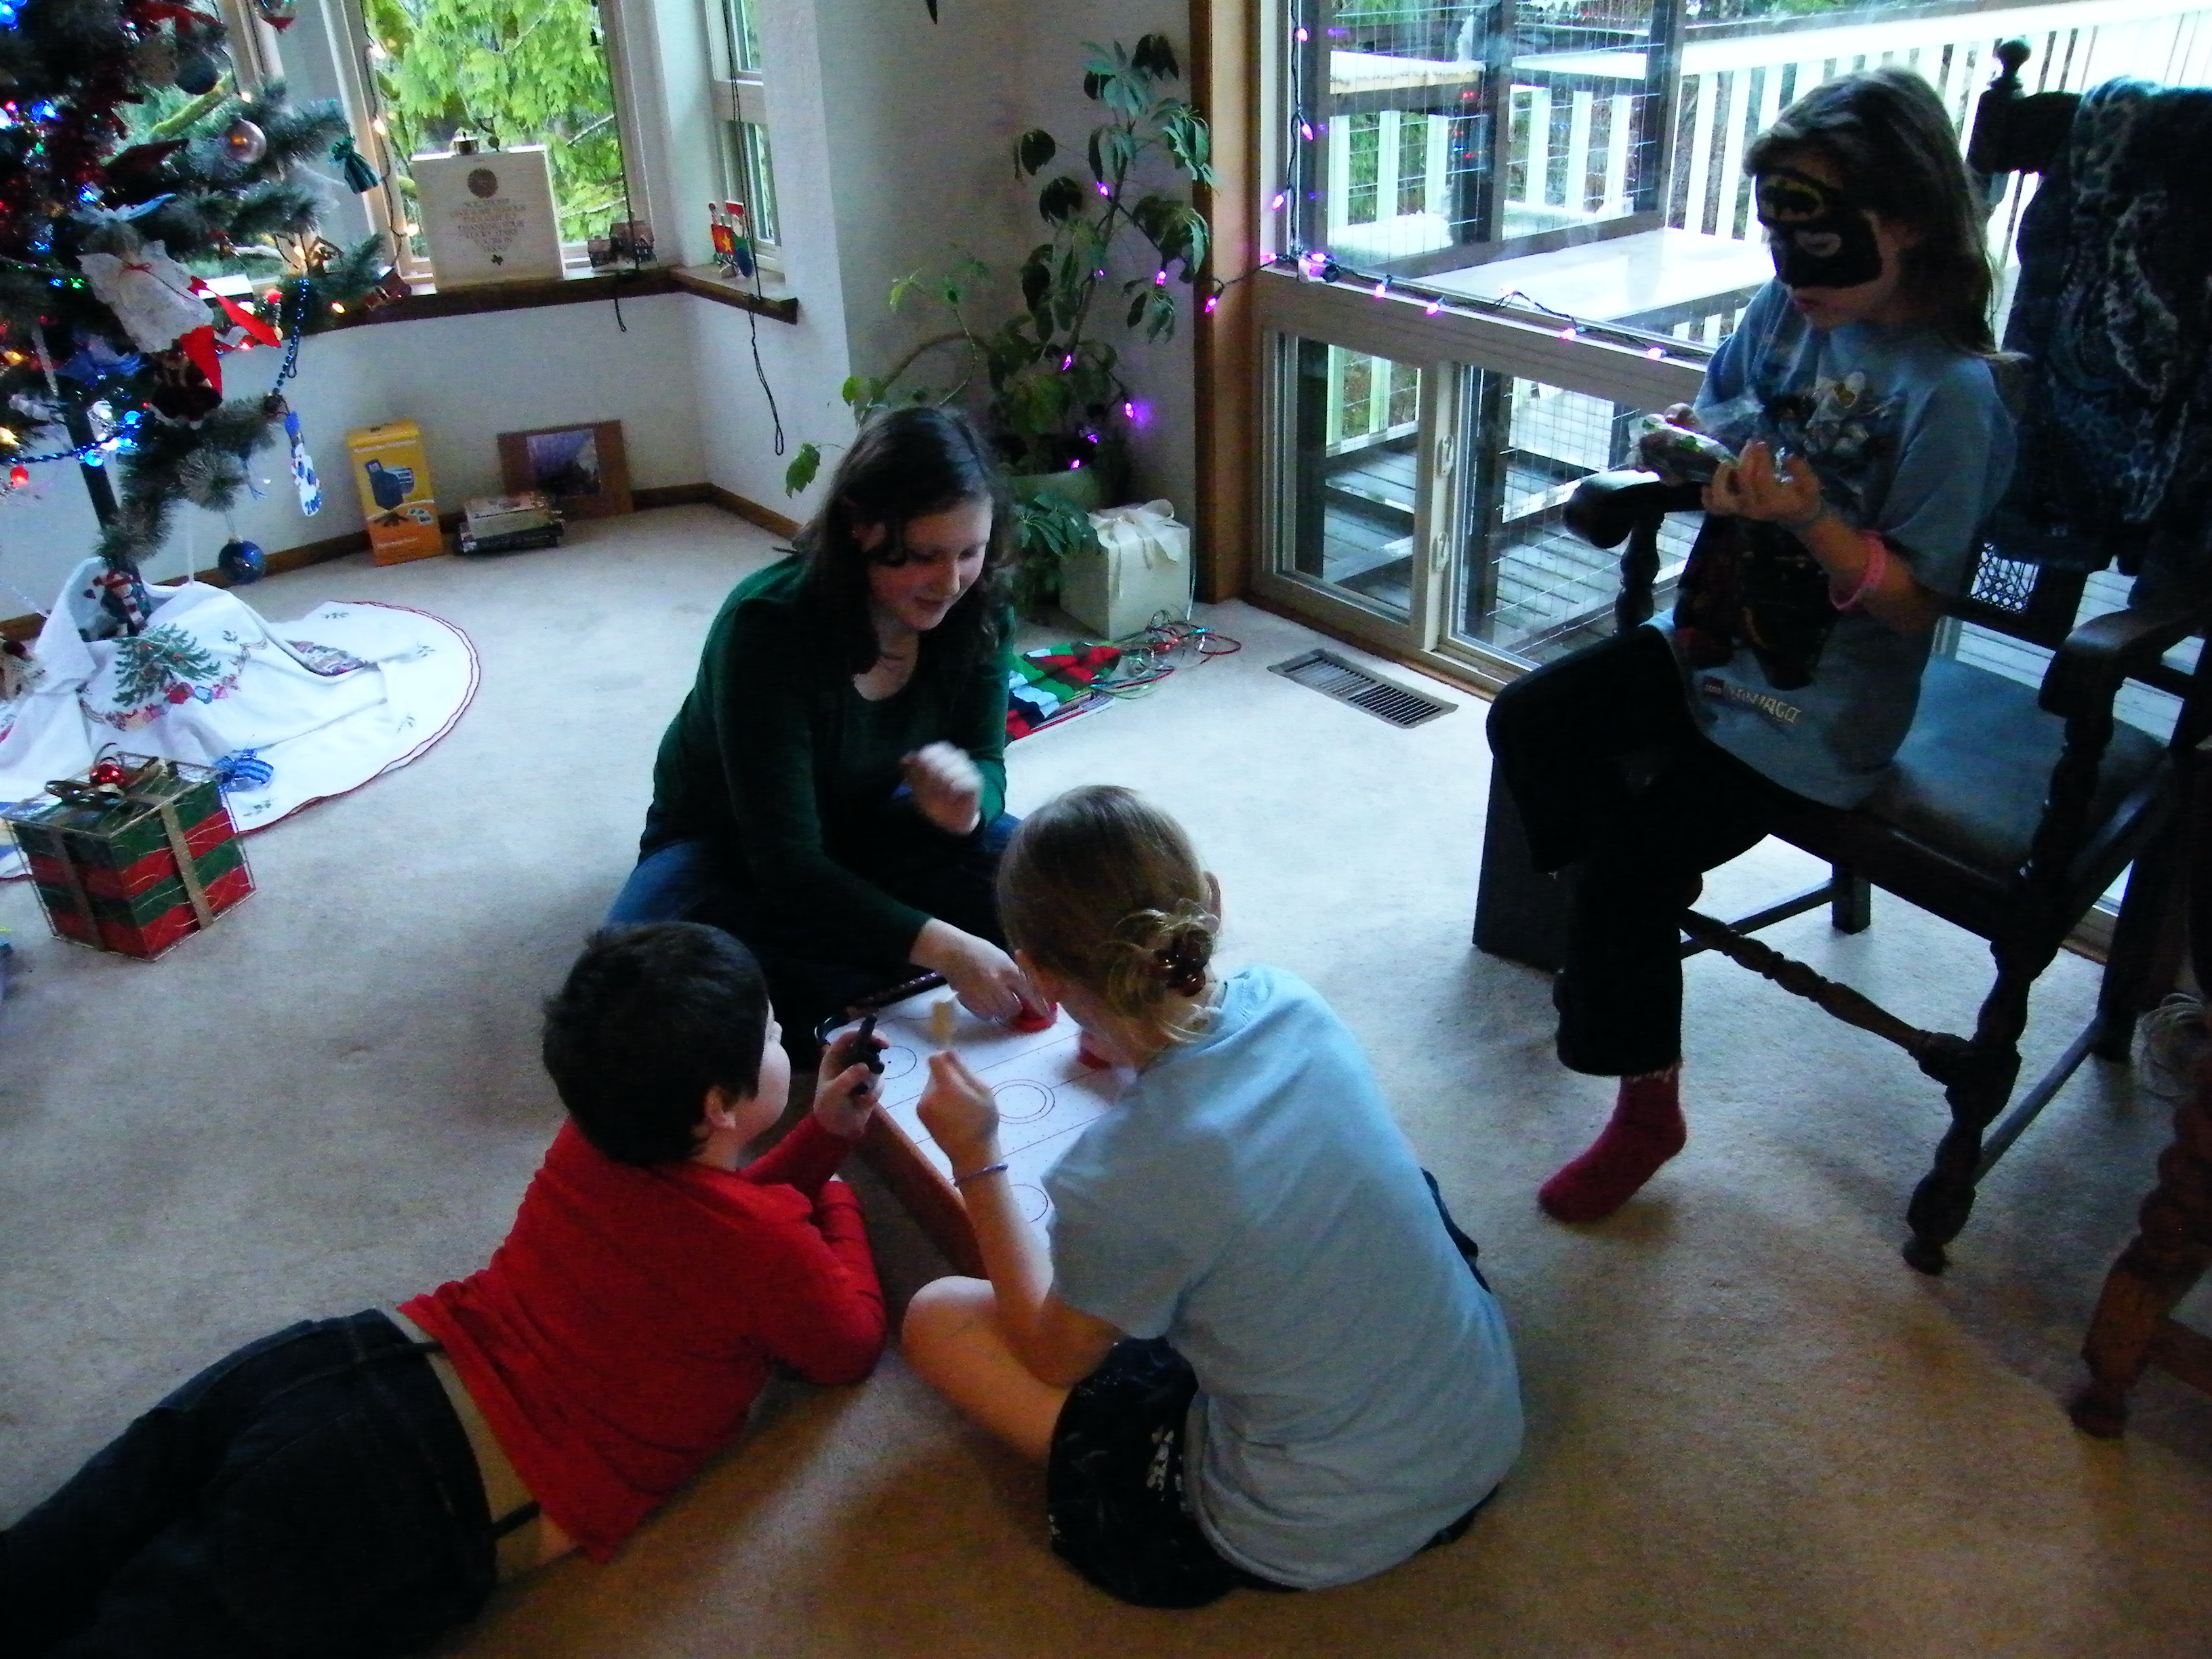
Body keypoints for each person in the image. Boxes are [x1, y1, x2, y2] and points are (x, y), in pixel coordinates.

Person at [1, 922, 886, 1658]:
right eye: (772, 1035)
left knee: (99, 1518)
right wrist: (837, 1196)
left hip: (355, 1359)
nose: (784, 1039)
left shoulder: (590, 1139)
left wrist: (819, 1141)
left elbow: (711, 1229)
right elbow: (844, 1343)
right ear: (719, 1106)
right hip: (433, 1487)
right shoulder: (766, 1244)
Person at [1483, 67, 2018, 1224]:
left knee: (1631, 868)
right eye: (1778, 233)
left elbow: (1912, 604)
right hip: (1704, 641)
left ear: (1908, 221)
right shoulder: (1785, 311)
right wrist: (1690, 445)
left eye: (1819, 238)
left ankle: (1645, 1097)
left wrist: (1811, 518)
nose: (1793, 270)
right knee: (1528, 720)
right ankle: (1620, 924)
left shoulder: (1951, 396)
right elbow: (1724, 410)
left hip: (1810, 711)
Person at [902, 785, 1523, 1607]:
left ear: (1039, 976)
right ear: (1212, 902)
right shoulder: (1292, 999)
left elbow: (1050, 1357)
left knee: (938, 1317)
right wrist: (1132, 1047)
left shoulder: (1114, 1176)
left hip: (1306, 1525)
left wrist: (978, 1158)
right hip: (1483, 1434)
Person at [608, 405, 1044, 1041]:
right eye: (924, 555)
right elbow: (785, 863)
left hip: (880, 816)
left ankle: (853, 967)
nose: (950, 582)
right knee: (640, 993)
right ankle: (854, 972)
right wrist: (948, 949)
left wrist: (969, 810)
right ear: (860, 527)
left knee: (1051, 884)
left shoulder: (980, 611)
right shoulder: (767, 626)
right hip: (725, 842)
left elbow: (986, 759)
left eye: (970, 552)